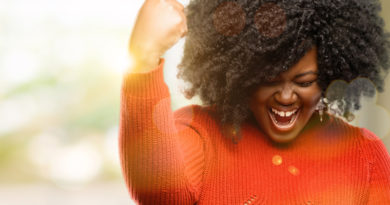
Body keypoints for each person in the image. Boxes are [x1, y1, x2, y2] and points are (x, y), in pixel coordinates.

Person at [120, 0, 390, 204]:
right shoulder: (201, 133)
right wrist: (144, 57)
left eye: (304, 82)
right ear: (241, 74)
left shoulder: (364, 155)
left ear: (330, 74)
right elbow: (158, 191)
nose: (285, 97)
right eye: (269, 80)